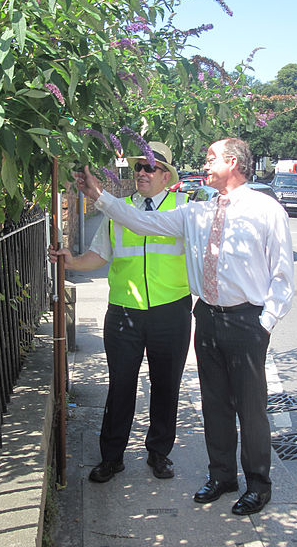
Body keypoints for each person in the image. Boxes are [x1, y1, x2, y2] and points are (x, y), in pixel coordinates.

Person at [74, 137, 294, 516]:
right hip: (206, 316)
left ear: (234, 163)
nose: (204, 164)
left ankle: (258, 484)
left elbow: (282, 273)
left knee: (250, 407)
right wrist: (101, 197)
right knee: (214, 405)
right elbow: (142, 221)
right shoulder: (198, 212)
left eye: (211, 158)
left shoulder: (266, 209)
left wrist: (265, 321)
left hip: (246, 320)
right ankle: (222, 476)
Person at [50, 142, 192, 483]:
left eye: (148, 167)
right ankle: (112, 457)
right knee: (121, 386)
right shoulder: (119, 209)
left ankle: (159, 453)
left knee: (166, 385)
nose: (140, 173)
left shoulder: (184, 207)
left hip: (170, 311)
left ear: (165, 176)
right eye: (137, 167)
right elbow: (99, 255)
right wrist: (72, 260)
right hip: (124, 313)